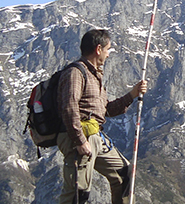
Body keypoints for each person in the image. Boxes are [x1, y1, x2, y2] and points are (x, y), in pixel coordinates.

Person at [56, 29, 147, 204]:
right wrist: (79, 141)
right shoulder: (76, 72)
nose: (108, 54)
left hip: (95, 135)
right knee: (77, 193)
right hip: (81, 136)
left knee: (125, 173)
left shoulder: (94, 76)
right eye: (108, 50)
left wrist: (132, 94)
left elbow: (107, 110)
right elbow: (69, 107)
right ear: (99, 49)